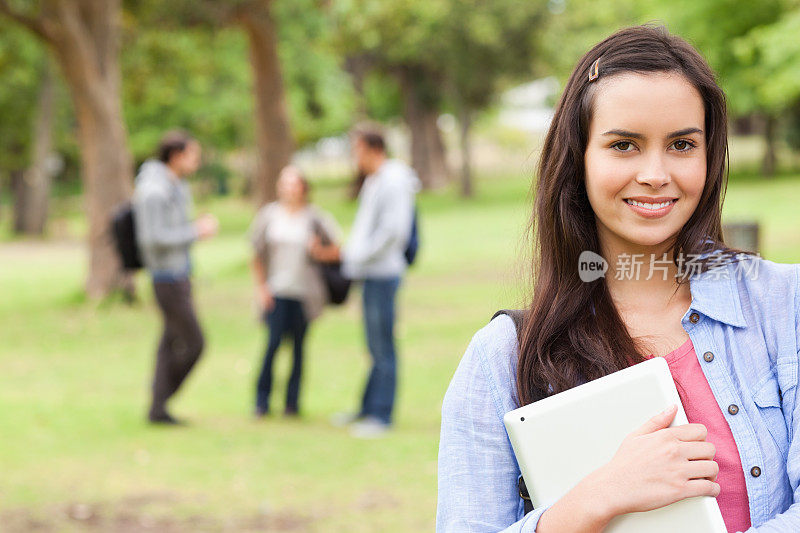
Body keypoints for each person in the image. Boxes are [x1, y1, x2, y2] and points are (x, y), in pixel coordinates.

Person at [437, 25, 800, 532]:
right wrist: (596, 498)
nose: (655, 172)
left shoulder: (786, 306)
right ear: (578, 159)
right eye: (624, 144)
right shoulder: (503, 360)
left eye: (681, 144)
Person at [331, 127, 420, 438]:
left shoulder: (394, 180)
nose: (354, 158)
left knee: (383, 345)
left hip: (383, 274)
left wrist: (359, 256)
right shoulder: (375, 179)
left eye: (356, 150)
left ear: (372, 148)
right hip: (369, 273)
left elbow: (394, 232)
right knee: (373, 344)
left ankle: (381, 415)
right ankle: (367, 407)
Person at [133, 130, 218, 425]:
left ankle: (158, 408)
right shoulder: (153, 191)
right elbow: (152, 238)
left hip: (180, 274)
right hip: (165, 278)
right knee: (195, 342)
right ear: (176, 156)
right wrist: (196, 232)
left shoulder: (176, 186)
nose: (196, 162)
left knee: (168, 344)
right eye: (192, 155)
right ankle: (162, 396)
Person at [250, 166, 341, 418]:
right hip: (277, 291)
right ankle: (261, 401)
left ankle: (292, 404)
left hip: (304, 294)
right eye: (285, 183)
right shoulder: (269, 216)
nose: (289, 189)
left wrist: (318, 251)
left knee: (299, 349)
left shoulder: (315, 218)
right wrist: (261, 287)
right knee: (272, 345)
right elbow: (255, 254)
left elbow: (337, 251)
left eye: (294, 184)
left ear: (303, 188)